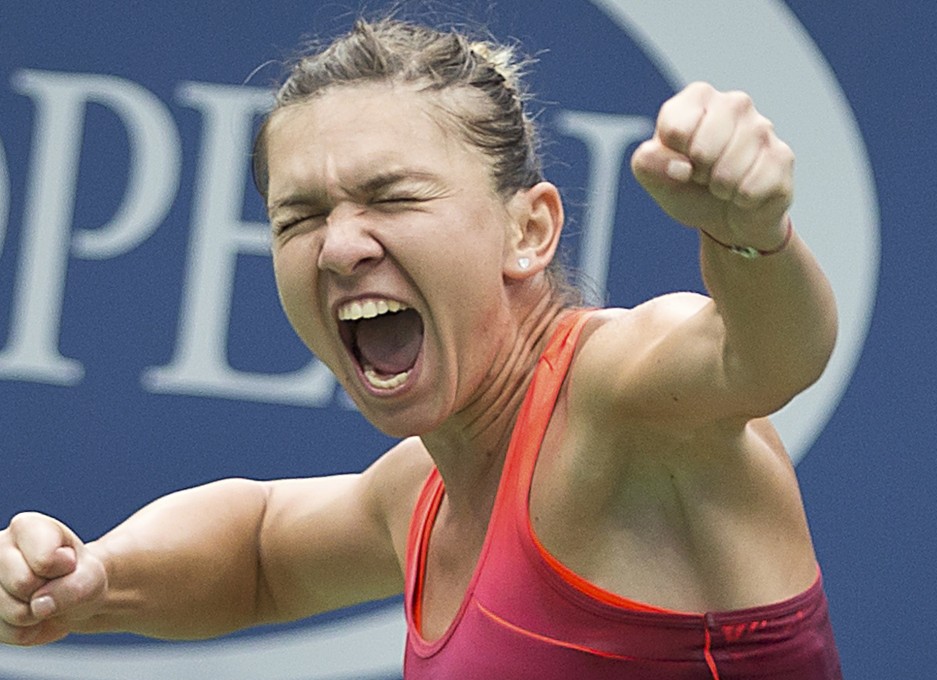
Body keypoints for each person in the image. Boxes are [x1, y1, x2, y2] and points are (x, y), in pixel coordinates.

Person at [0, 17, 843, 679]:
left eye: (390, 197)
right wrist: (96, 579)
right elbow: (259, 553)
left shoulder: (623, 400)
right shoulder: (424, 494)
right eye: (299, 217)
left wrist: (751, 239)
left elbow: (762, 358)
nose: (337, 248)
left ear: (529, 229)